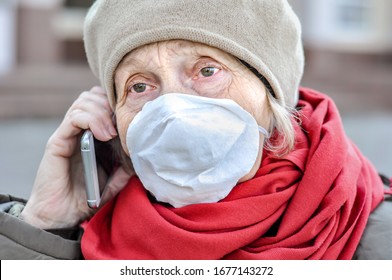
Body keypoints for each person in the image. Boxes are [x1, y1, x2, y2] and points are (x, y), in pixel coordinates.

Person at [1, 0, 391, 260]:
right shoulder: (90, 236)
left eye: (207, 71)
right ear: (112, 119)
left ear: (272, 97)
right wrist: (43, 224)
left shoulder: (377, 238)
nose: (172, 108)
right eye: (140, 86)